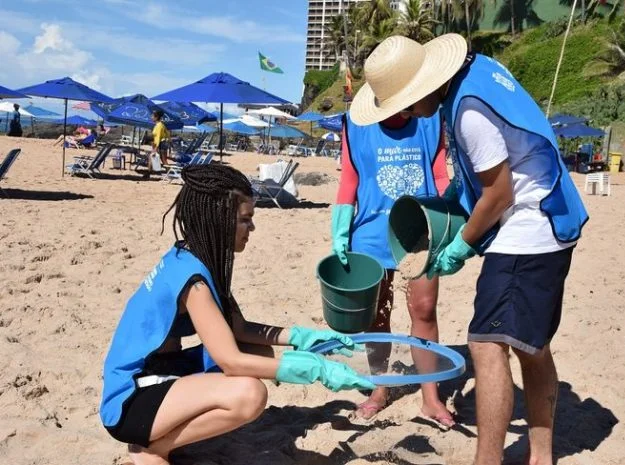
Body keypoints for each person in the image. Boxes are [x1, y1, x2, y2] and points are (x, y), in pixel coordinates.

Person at [350, 35, 588, 465]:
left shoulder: (468, 111)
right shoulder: (475, 72)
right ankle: (541, 456)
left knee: (485, 343)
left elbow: (498, 194)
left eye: (402, 103)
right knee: (532, 346)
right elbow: (485, 174)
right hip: (555, 214)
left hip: (531, 224)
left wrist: (460, 245)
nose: (403, 113)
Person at [100, 164, 374, 465]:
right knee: (250, 394)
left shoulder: (195, 254)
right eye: (246, 220)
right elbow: (230, 361)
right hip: (128, 401)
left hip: (158, 371)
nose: (252, 229)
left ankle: (160, 439)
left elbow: (239, 329)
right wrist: (315, 370)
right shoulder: (194, 281)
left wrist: (303, 338)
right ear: (219, 220)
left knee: (255, 351)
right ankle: (151, 448)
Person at [332, 112, 454, 426]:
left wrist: (449, 221)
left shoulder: (429, 119)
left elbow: (439, 173)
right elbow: (349, 179)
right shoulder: (355, 125)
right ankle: (379, 390)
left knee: (424, 310)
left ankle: (430, 397)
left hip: (421, 229)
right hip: (371, 234)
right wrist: (341, 230)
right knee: (376, 317)